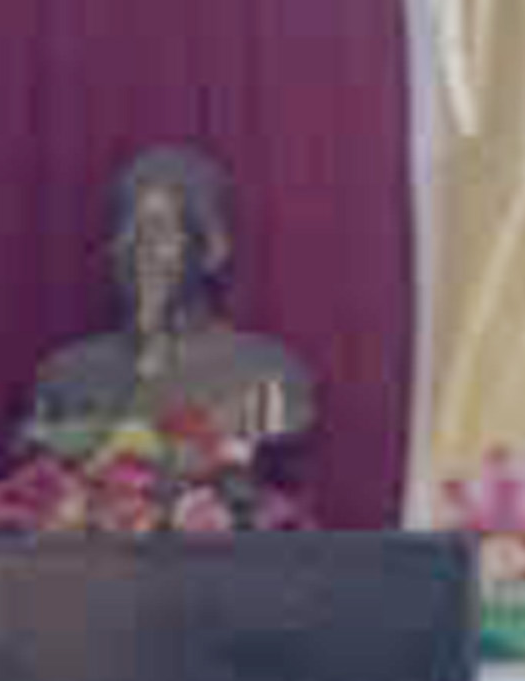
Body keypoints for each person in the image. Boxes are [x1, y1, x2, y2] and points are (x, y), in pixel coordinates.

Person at [20, 143, 316, 455]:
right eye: (124, 231)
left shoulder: (265, 373)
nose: (137, 249)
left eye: (158, 230)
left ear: (212, 250)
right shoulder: (65, 375)